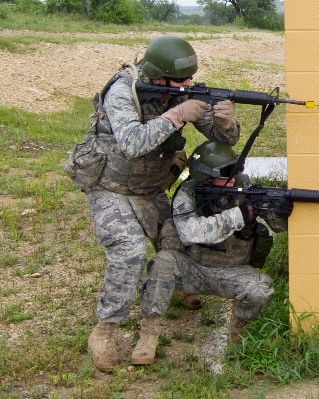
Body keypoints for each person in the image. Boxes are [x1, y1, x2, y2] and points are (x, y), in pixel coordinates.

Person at [64, 35, 240, 372]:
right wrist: (176, 115)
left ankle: (162, 307)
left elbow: (223, 138)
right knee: (129, 253)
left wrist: (224, 121)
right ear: (157, 75)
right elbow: (131, 142)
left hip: (150, 188)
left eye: (190, 78)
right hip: (110, 186)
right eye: (179, 80)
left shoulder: (182, 91)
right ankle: (105, 330)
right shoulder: (123, 90)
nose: (186, 84)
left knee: (176, 238)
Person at [136, 141, 293, 364]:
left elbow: (279, 226)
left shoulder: (244, 189)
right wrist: (239, 216)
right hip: (193, 269)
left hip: (234, 272)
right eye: (227, 171)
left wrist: (280, 212)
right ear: (206, 177)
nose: (234, 175)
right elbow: (190, 232)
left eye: (235, 168)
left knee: (259, 291)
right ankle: (148, 337)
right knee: (162, 262)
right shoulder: (188, 192)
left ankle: (238, 336)